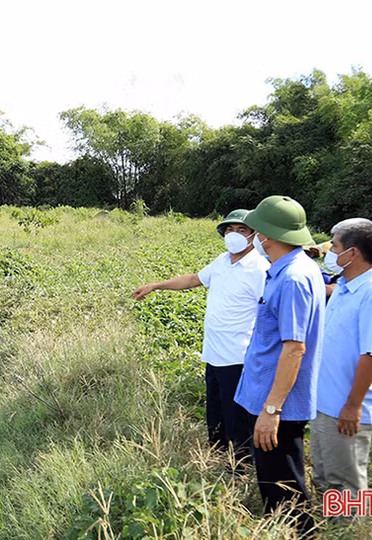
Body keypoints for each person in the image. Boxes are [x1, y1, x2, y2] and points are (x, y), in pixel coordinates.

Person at [131, 209, 269, 465]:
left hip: (238, 357)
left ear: (254, 235)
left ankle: (239, 468)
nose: (234, 235)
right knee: (215, 412)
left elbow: (269, 312)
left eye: (241, 230)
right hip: (214, 354)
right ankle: (214, 459)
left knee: (236, 418)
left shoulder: (260, 269)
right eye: (229, 230)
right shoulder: (222, 261)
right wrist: (155, 286)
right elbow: (195, 279)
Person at [233, 195, 324, 536]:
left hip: (278, 403)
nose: (252, 237)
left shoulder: (293, 279)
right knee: (276, 482)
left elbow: (294, 349)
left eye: (254, 230)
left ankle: (301, 533)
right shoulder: (291, 269)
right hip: (270, 397)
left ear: (266, 235)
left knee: (284, 488)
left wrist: (272, 409)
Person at [310, 218, 372, 506]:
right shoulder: (346, 287)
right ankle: (334, 526)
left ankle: (354, 529)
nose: (330, 252)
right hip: (325, 401)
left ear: (353, 253)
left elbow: (371, 355)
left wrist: (353, 405)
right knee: (324, 475)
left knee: (348, 483)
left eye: (334, 245)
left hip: (345, 406)